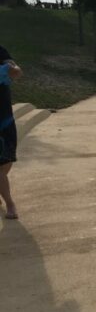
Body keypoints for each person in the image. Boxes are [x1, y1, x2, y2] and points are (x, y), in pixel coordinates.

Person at [0, 45, 23, 220]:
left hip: (4, 117)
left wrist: (12, 70)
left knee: (8, 160)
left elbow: (16, 71)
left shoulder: (0, 51)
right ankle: (10, 203)